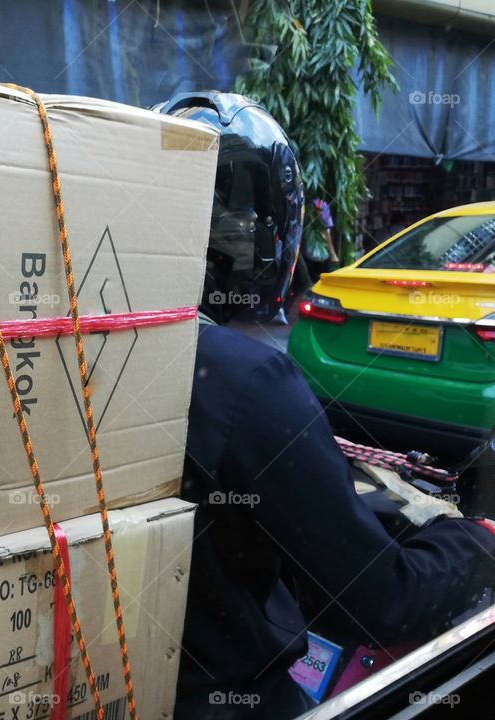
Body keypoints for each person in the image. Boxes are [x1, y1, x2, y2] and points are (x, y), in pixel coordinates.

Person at [157, 93, 495, 719]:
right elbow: (380, 602)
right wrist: (475, 541)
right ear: (267, 235)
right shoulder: (250, 381)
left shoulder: (81, 342)